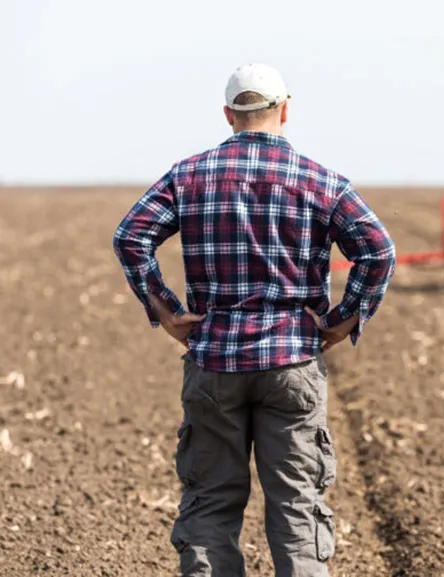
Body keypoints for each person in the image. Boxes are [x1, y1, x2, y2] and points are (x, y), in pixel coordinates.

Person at [112, 62, 396, 576]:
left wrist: (167, 310)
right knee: (297, 510)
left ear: (228, 114)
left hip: (215, 363)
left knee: (211, 506)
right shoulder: (322, 181)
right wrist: (341, 320)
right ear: (285, 110)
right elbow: (378, 251)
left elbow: (130, 236)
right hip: (292, 364)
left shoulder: (188, 175)